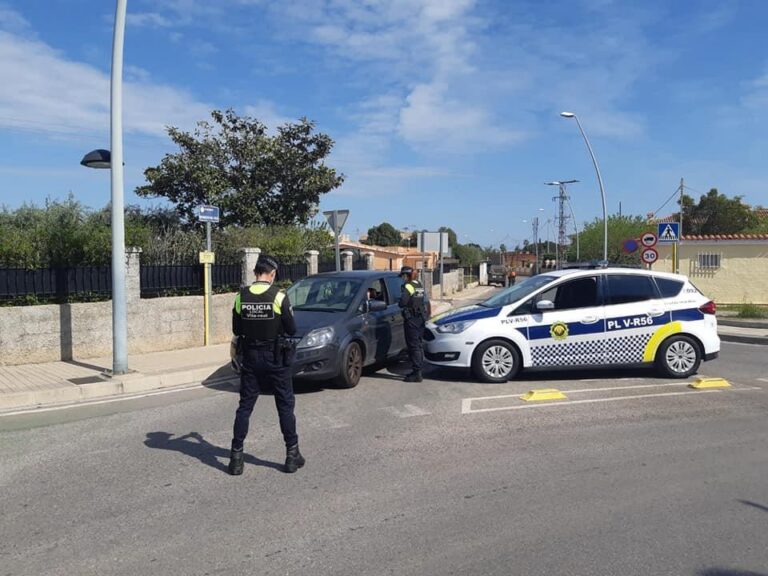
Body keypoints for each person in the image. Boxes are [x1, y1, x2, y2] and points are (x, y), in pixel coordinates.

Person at [228, 255, 305, 476]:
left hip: (251, 357)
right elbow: (291, 330)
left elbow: (236, 329)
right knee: (284, 406)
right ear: (272, 274)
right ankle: (292, 456)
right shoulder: (279, 296)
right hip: (276, 358)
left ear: (255, 273)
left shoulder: (240, 297)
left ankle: (236, 458)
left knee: (245, 407)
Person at [398, 266, 431, 382]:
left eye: (403, 276)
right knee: (418, 344)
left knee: (413, 345)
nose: (402, 278)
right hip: (421, 318)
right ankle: (419, 369)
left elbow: (402, 303)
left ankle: (417, 373)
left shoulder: (408, 286)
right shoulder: (418, 284)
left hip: (412, 319)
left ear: (406, 275)